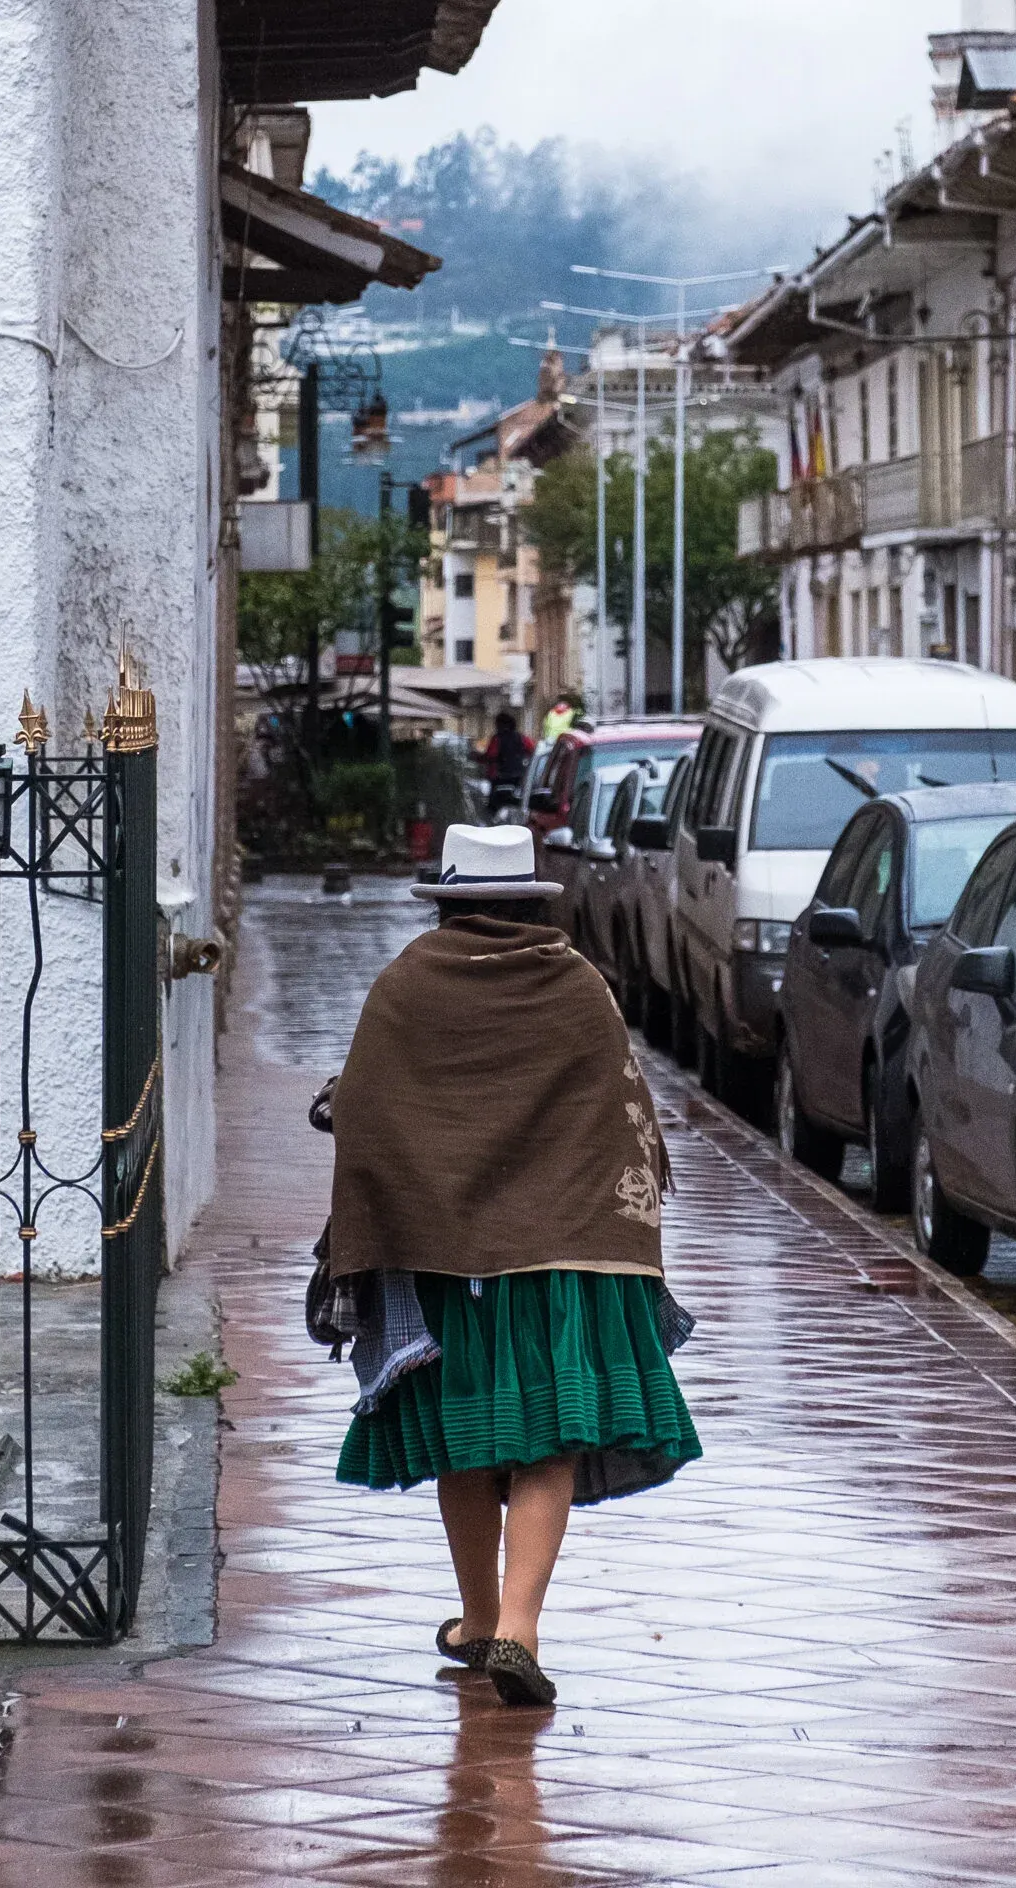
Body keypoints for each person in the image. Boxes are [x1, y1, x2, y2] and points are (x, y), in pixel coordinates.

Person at [324, 820, 699, 1708]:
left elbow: (369, 1116)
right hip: (566, 1257)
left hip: (447, 1255)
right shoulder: (577, 987)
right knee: (549, 1438)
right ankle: (520, 1632)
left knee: (468, 1429)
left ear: (450, 900)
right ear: (529, 898)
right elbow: (622, 1113)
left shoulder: (407, 987)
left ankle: (480, 1618)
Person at [482, 708, 530, 803]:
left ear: (500, 724)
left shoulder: (497, 739)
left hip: (500, 778)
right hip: (519, 777)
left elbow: (490, 756)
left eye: (496, 723)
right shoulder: (522, 738)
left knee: (494, 804)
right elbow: (532, 750)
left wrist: (478, 757)